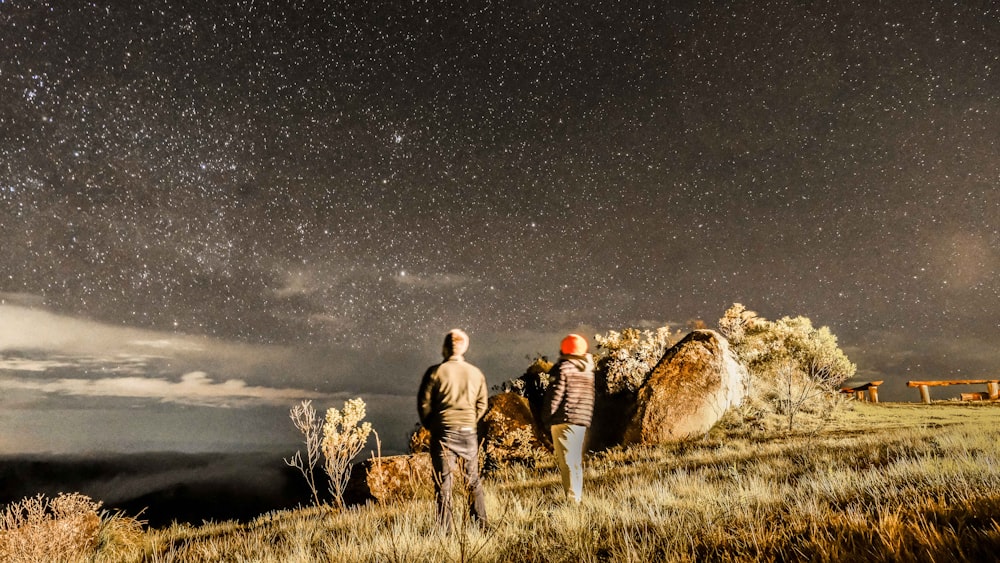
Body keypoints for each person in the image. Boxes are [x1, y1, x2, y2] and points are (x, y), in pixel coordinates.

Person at [417, 329, 489, 531]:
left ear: (445, 348)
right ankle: (481, 526)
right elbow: (482, 403)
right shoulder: (475, 373)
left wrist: (433, 424)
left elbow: (424, 404)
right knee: (472, 480)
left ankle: (445, 530)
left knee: (443, 483)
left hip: (443, 432)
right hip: (468, 432)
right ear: (465, 347)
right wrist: (470, 420)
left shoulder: (435, 372)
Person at [542, 333, 595, 505]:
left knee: (567, 463)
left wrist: (546, 418)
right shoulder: (588, 370)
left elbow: (555, 396)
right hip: (581, 419)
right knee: (575, 461)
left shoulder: (564, 368)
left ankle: (573, 501)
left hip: (564, 418)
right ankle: (576, 497)